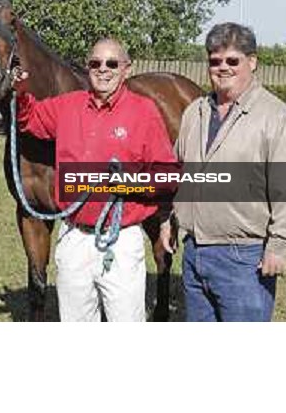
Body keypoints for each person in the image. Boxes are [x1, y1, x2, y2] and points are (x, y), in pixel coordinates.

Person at [12, 38, 177, 322]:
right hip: (74, 237)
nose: (103, 69)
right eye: (95, 63)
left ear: (126, 69)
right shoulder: (67, 105)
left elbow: (167, 177)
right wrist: (20, 90)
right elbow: (30, 118)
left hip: (121, 240)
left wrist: (126, 185)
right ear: (88, 68)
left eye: (112, 63)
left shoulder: (144, 111)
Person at [161, 22, 286, 322]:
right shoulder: (194, 112)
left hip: (244, 259)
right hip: (194, 252)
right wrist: (170, 219)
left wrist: (279, 245)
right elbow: (181, 173)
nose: (222, 68)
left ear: (252, 62)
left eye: (232, 60)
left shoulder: (276, 118)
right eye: (215, 61)